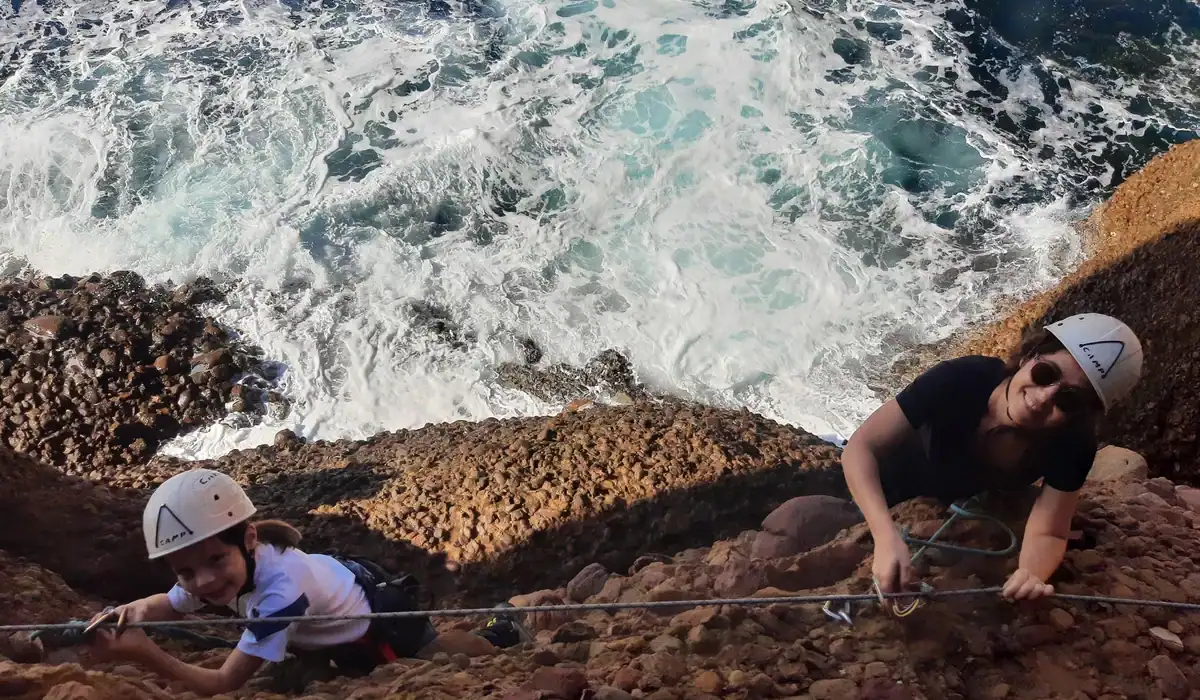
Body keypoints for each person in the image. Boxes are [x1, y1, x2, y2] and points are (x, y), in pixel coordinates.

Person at [85, 468, 532, 696]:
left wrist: (143, 652)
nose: (201, 581)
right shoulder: (226, 570)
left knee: (444, 653)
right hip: (329, 609)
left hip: (378, 624)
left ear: (249, 540)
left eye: (215, 560)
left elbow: (223, 682)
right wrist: (126, 614)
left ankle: (503, 630)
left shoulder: (280, 593)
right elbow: (169, 603)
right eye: (185, 572)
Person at [841, 313, 1143, 603]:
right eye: (1045, 374)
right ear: (1030, 356)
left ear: (1082, 414)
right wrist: (885, 534)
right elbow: (861, 447)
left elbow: (1051, 530)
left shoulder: (1073, 443)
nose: (1042, 398)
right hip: (885, 489)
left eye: (1069, 400)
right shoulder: (960, 378)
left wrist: (1031, 573)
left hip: (955, 507)